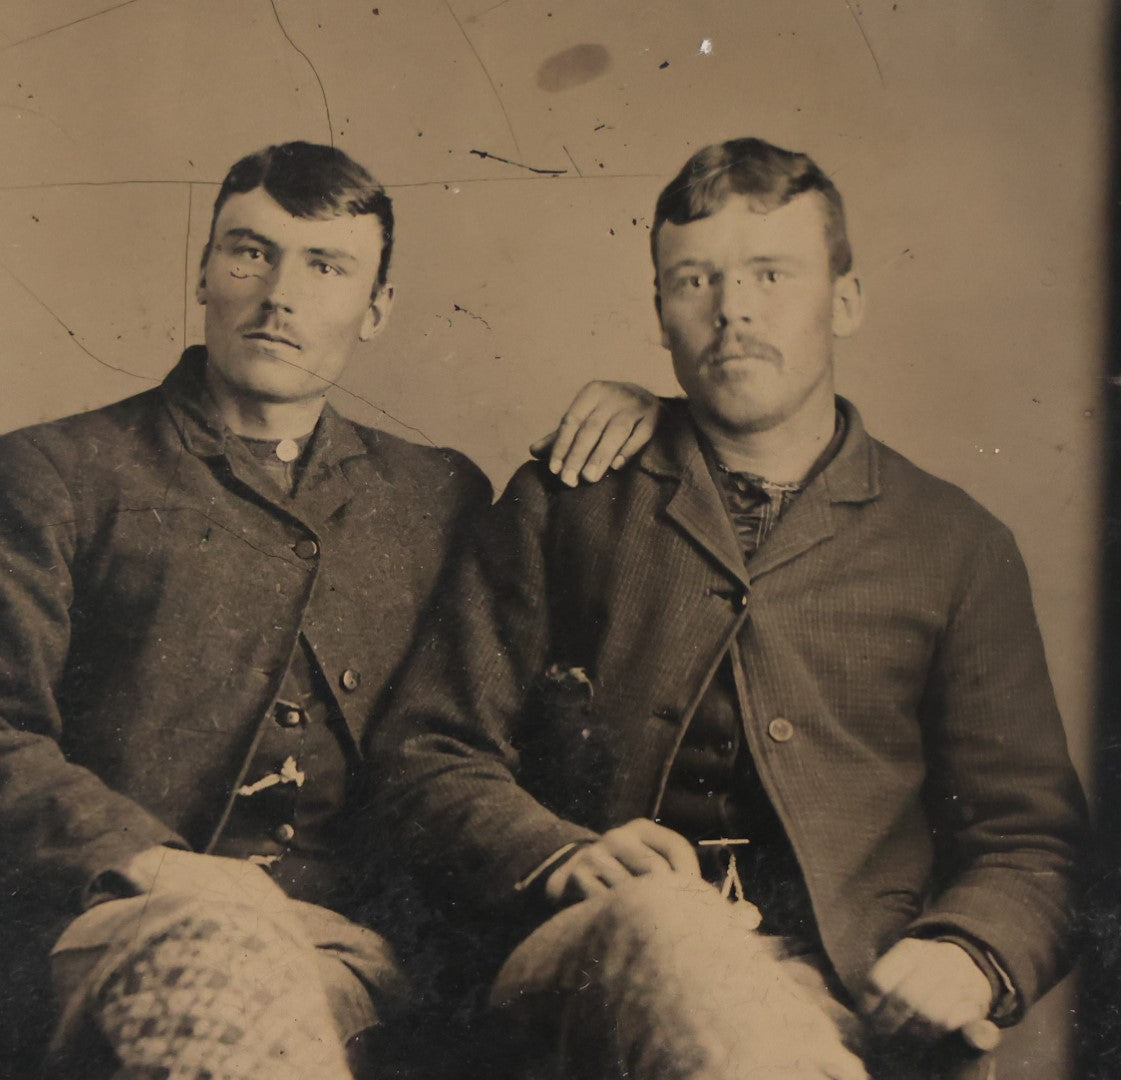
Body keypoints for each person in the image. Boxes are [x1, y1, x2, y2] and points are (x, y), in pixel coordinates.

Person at [372, 137, 1088, 1080]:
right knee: (665, 929)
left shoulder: (954, 543)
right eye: (694, 280)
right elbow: (428, 752)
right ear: (660, 314)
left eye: (769, 274)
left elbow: (1031, 838)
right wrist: (558, 854)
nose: (732, 309)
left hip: (848, 995)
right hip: (587, 972)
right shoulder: (567, 499)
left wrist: (969, 951)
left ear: (845, 301)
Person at [0, 140, 659, 1079]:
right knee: (220, 966)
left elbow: (484, 742)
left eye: (325, 266)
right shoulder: (55, 472)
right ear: (202, 271)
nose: (280, 295)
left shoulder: (438, 496)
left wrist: (661, 417)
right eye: (250, 252)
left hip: (369, 955)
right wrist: (152, 863)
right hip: (123, 925)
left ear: (376, 308)